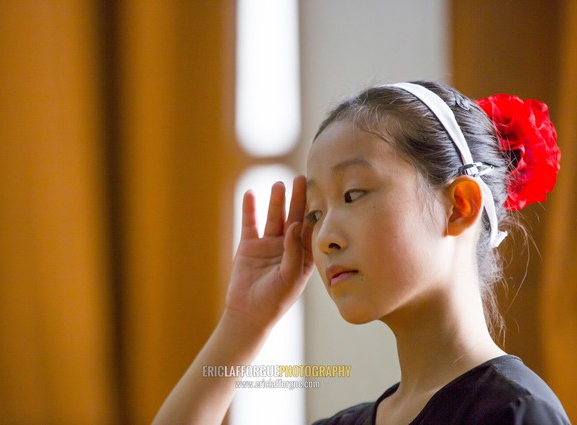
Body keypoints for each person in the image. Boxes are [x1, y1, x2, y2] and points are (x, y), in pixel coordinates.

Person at [152, 81, 569, 424]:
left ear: (459, 206)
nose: (323, 237)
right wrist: (243, 321)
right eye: (315, 213)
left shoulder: (516, 414)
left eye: (352, 194)